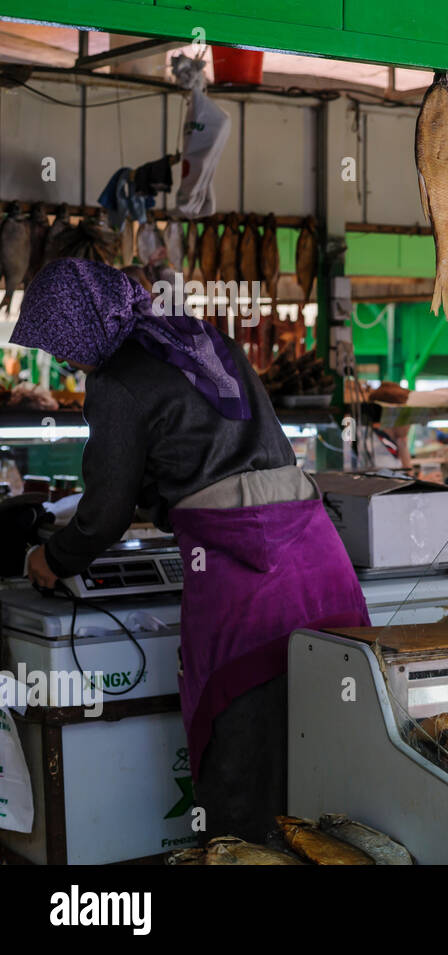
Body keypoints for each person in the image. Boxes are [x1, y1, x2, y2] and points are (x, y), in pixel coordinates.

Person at [12, 258, 370, 842]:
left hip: (243, 568)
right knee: (325, 732)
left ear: (85, 329)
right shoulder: (202, 338)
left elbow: (103, 515)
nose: (67, 363)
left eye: (62, 349)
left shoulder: (118, 382)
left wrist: (52, 560)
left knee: (242, 744)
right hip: (313, 550)